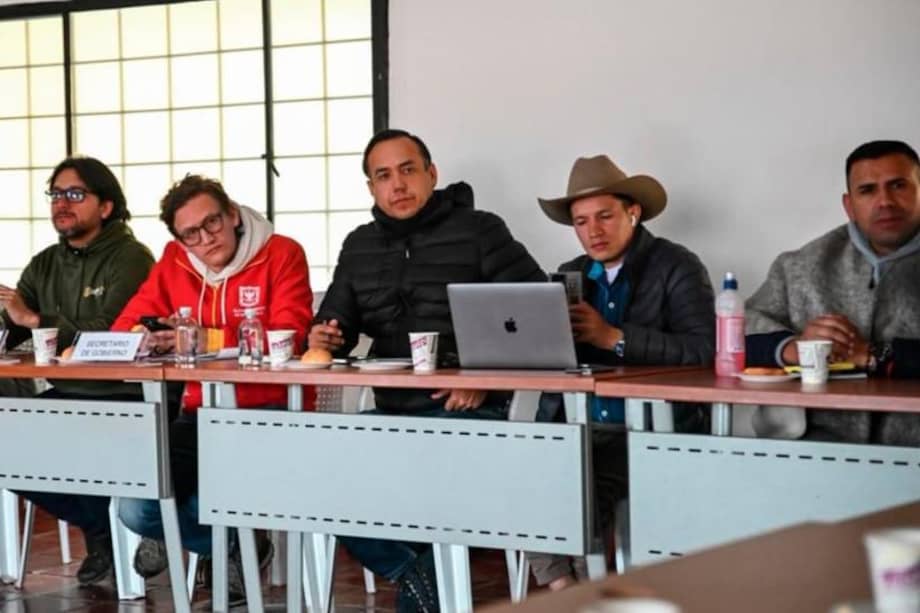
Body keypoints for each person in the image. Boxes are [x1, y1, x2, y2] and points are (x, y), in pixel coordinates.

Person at [308, 129, 544, 612]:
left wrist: (483, 379)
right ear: (371, 188)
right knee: (317, 477)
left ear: (432, 174)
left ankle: (424, 591)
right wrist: (323, 337)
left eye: (408, 170)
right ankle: (417, 575)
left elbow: (538, 316)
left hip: (471, 413)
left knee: (426, 489)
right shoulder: (359, 245)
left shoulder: (480, 231)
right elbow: (337, 324)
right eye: (383, 176)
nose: (398, 185)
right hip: (392, 410)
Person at [111, 174, 314, 600]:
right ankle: (242, 545)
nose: (206, 238)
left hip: (271, 414)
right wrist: (144, 337)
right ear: (179, 240)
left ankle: (204, 538)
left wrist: (209, 339)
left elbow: (289, 336)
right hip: (198, 413)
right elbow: (124, 325)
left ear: (233, 215)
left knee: (207, 502)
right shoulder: (174, 262)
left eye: (213, 223)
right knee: (136, 505)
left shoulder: (281, 253)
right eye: (191, 234)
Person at [531, 154, 715, 589]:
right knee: (527, 473)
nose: (592, 231)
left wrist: (614, 337)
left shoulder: (676, 265)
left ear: (633, 212)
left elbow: (705, 350)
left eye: (605, 216)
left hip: (654, 431)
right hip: (579, 426)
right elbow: (552, 363)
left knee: (578, 485)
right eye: (580, 222)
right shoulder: (570, 275)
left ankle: (573, 590)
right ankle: (571, 588)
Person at [0, 156, 155, 584]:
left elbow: (112, 332)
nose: (61, 204)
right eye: (55, 195)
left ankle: (105, 532)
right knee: (6, 448)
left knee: (73, 446)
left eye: (74, 194)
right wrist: (8, 320)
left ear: (105, 207)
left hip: (125, 398)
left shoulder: (131, 258)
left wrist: (34, 321)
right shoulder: (46, 262)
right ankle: (101, 528)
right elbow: (13, 323)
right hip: (68, 396)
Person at [746, 139, 920, 443]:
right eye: (868, 190)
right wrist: (792, 348)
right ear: (849, 205)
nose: (885, 202)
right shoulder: (799, 266)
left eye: (898, 185)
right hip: (812, 453)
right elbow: (733, 333)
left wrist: (874, 355)